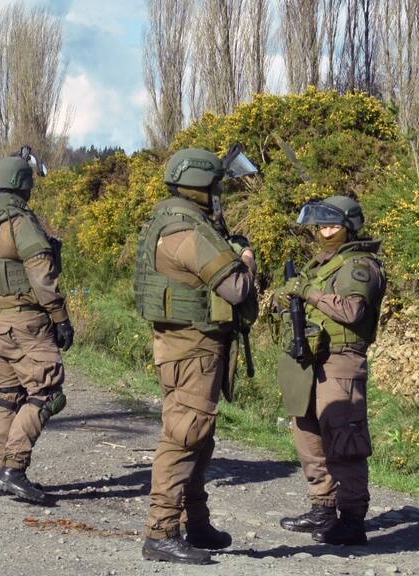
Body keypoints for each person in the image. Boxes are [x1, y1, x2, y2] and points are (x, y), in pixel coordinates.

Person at [134, 147, 259, 564]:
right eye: (218, 185)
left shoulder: (168, 220)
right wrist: (246, 260)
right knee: (184, 435)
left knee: (197, 435)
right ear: (203, 186)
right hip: (194, 346)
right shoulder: (189, 229)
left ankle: (196, 523)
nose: (221, 191)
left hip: (183, 345)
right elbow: (235, 289)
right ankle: (161, 531)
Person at [0, 149, 73, 505]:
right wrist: (60, 318)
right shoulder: (18, 221)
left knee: (9, 396)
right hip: (23, 323)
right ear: (24, 187)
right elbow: (41, 272)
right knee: (47, 391)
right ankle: (14, 469)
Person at [275, 196, 386, 546]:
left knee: (344, 441)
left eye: (332, 225)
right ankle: (323, 507)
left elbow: (352, 311)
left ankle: (352, 520)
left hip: (341, 359)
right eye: (321, 226)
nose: (325, 231)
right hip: (308, 360)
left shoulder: (359, 266)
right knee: (307, 433)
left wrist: (307, 292)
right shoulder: (321, 264)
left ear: (349, 226)